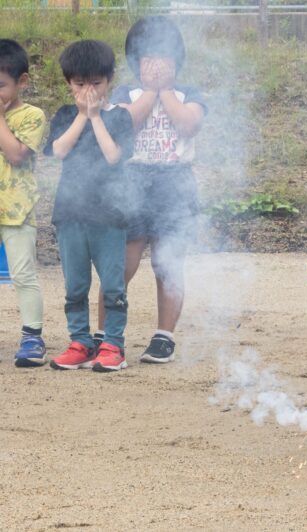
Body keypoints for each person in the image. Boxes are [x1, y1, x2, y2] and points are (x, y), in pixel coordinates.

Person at [97, 16, 206, 363]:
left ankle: (164, 336)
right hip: (133, 182)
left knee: (168, 264)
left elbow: (189, 125)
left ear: (178, 60)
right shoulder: (123, 94)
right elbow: (127, 123)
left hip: (175, 184)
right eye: (147, 58)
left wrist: (165, 92)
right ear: (134, 62)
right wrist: (150, 91)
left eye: (165, 57)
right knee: (122, 265)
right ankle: (105, 334)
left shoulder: (189, 94)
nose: (156, 65)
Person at [44, 40, 135, 372]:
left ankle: (113, 344)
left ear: (110, 79)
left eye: (96, 83)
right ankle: (80, 341)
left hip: (110, 215)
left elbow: (113, 156)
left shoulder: (121, 117)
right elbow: (59, 151)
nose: (88, 90)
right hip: (70, 213)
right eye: (80, 84)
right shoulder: (66, 115)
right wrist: (83, 115)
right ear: (69, 84)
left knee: (113, 285)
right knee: (75, 285)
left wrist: (96, 116)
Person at [0, 39, 47, 367]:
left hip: (17, 211)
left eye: (0, 85)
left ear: (23, 82)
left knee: (23, 274)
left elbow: (16, 154)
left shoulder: (33, 116)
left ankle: (33, 337)